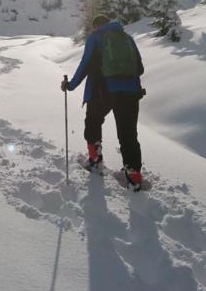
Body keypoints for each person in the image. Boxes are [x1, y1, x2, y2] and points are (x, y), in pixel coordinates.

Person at [61, 14, 145, 189]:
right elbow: (140, 67)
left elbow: (85, 65)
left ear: (96, 26)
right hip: (131, 91)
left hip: (102, 90)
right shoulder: (127, 38)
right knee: (128, 134)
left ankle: (95, 161)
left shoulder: (96, 38)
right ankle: (134, 177)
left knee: (93, 122)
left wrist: (70, 85)